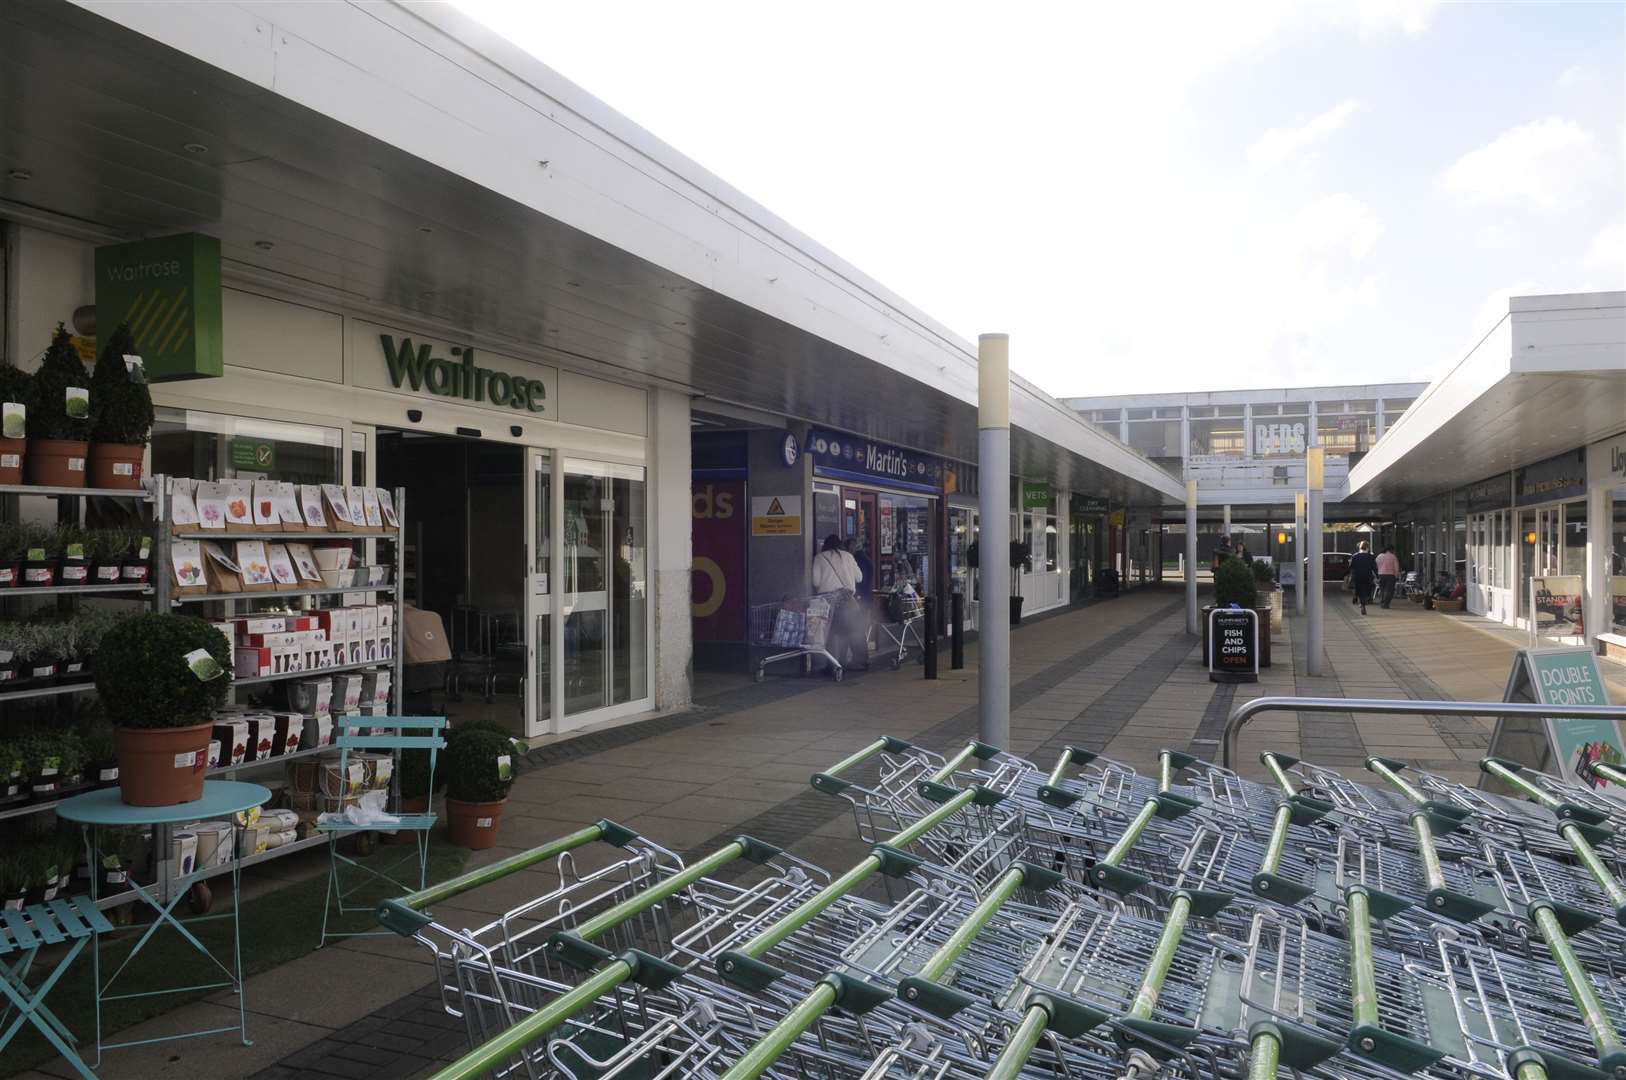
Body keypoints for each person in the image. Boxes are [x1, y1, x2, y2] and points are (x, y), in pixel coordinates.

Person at [812, 534, 865, 669]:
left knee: (830, 633)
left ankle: (832, 665)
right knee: (853, 630)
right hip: (848, 600)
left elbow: (815, 581)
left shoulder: (820, 557)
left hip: (827, 602)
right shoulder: (848, 556)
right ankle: (857, 661)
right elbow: (859, 578)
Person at [1349, 540, 1378, 615]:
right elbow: (1374, 567)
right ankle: (1364, 603)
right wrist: (1377, 576)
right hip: (1368, 576)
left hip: (1358, 576)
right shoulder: (1371, 557)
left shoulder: (1355, 556)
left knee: (1359, 590)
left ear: (1360, 547)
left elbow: (1351, 567)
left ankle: (1362, 604)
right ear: (1368, 548)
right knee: (1367, 591)